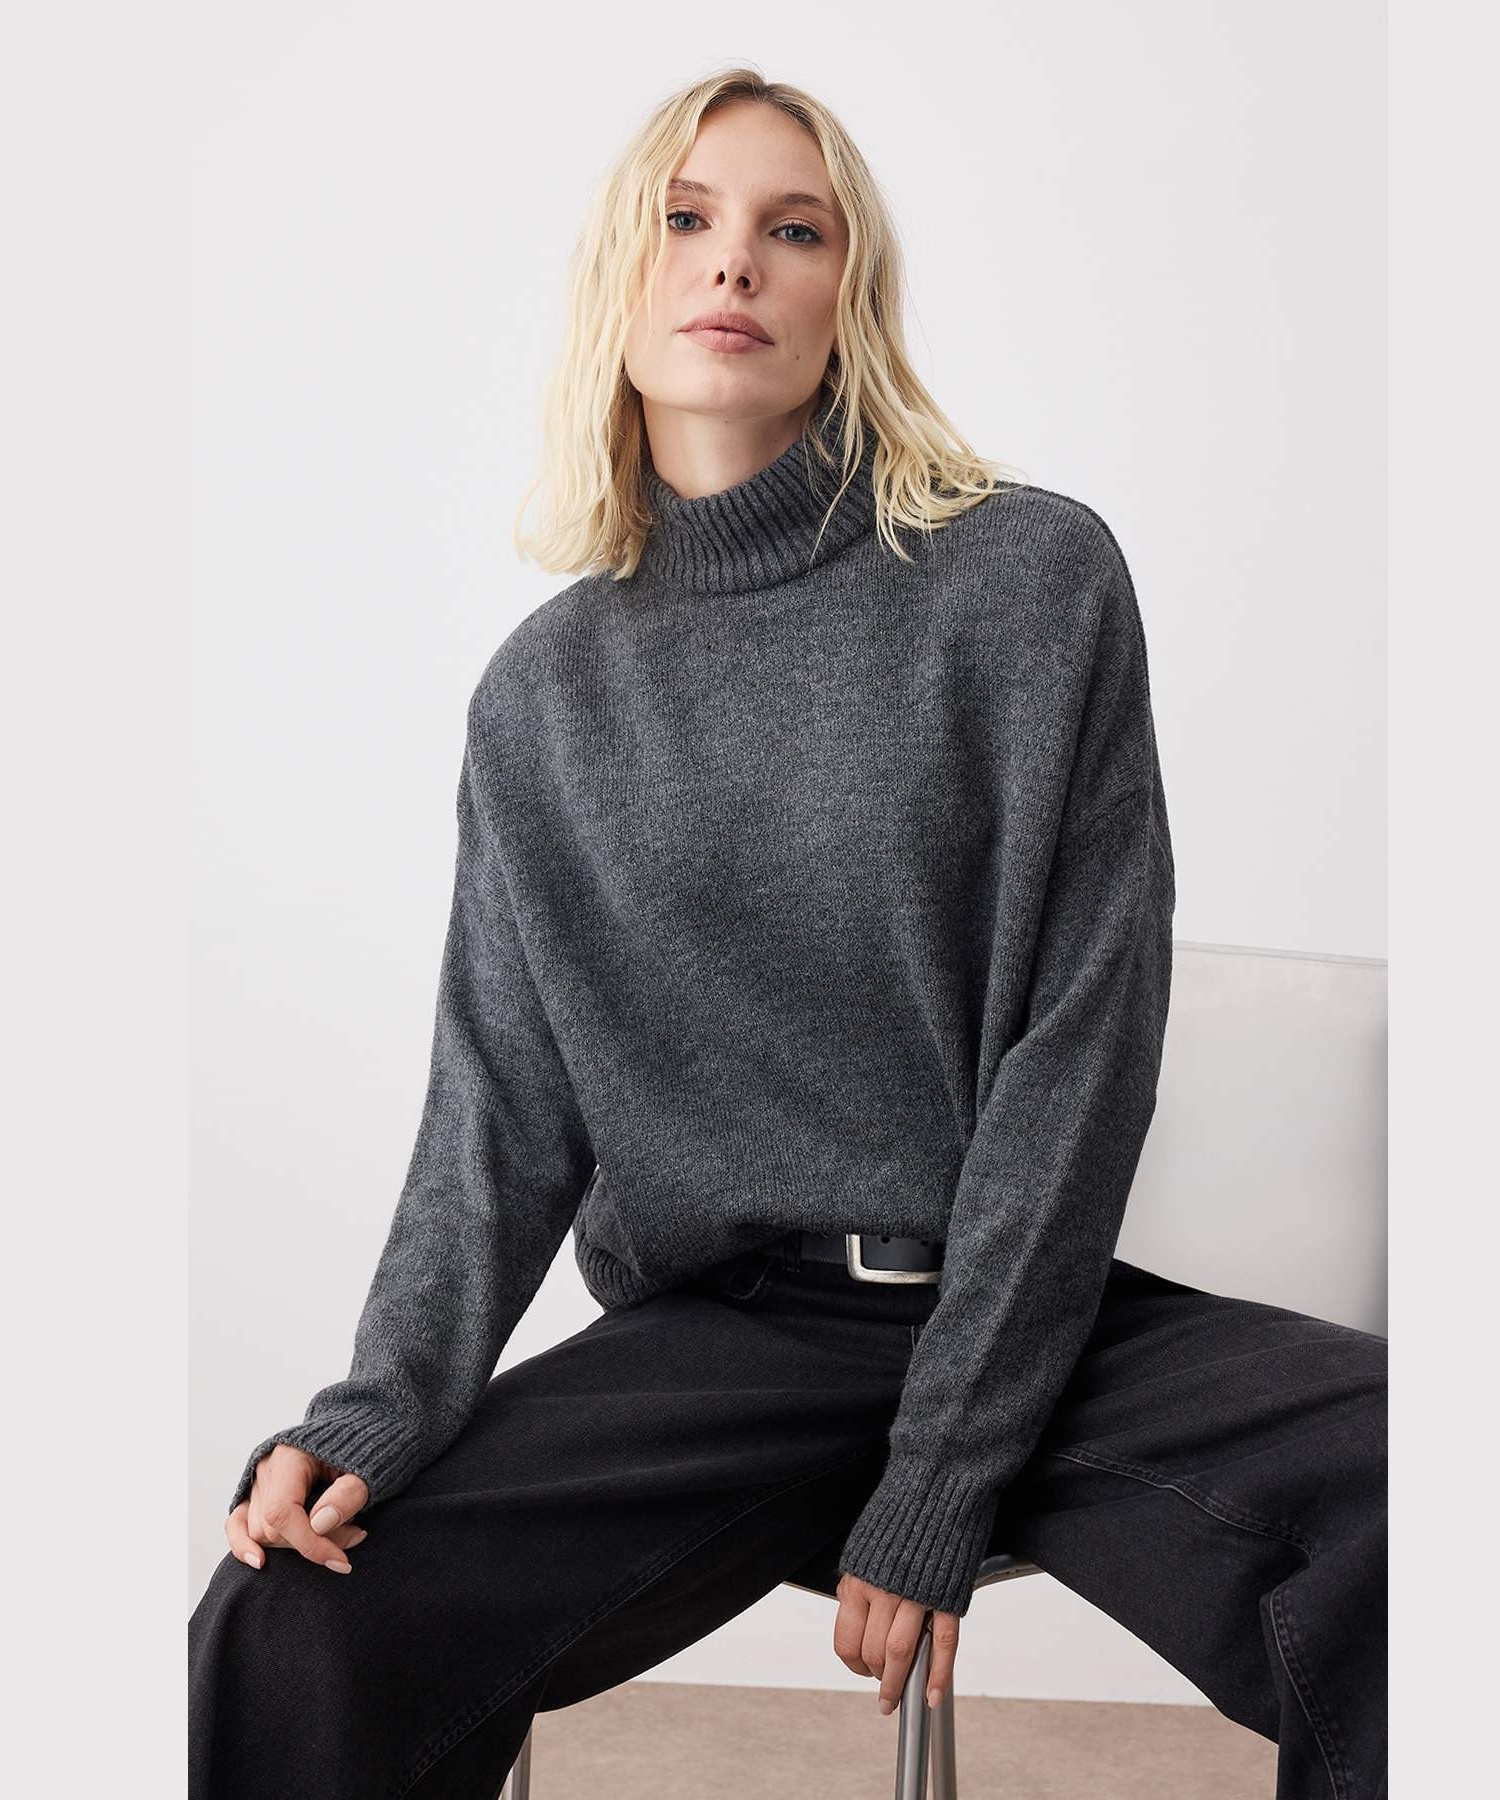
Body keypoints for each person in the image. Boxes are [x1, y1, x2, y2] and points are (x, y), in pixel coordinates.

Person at [189, 67, 1387, 1800]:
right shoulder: (545, 700)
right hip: (727, 1340)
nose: (734, 262)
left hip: (1026, 1311)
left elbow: (1080, 1055)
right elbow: (498, 1109)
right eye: (685, 219)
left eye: (794, 229)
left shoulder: (1028, 583)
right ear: (621, 280)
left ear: (850, 297)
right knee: (294, 1611)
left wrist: (942, 1468)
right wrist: (377, 1406)